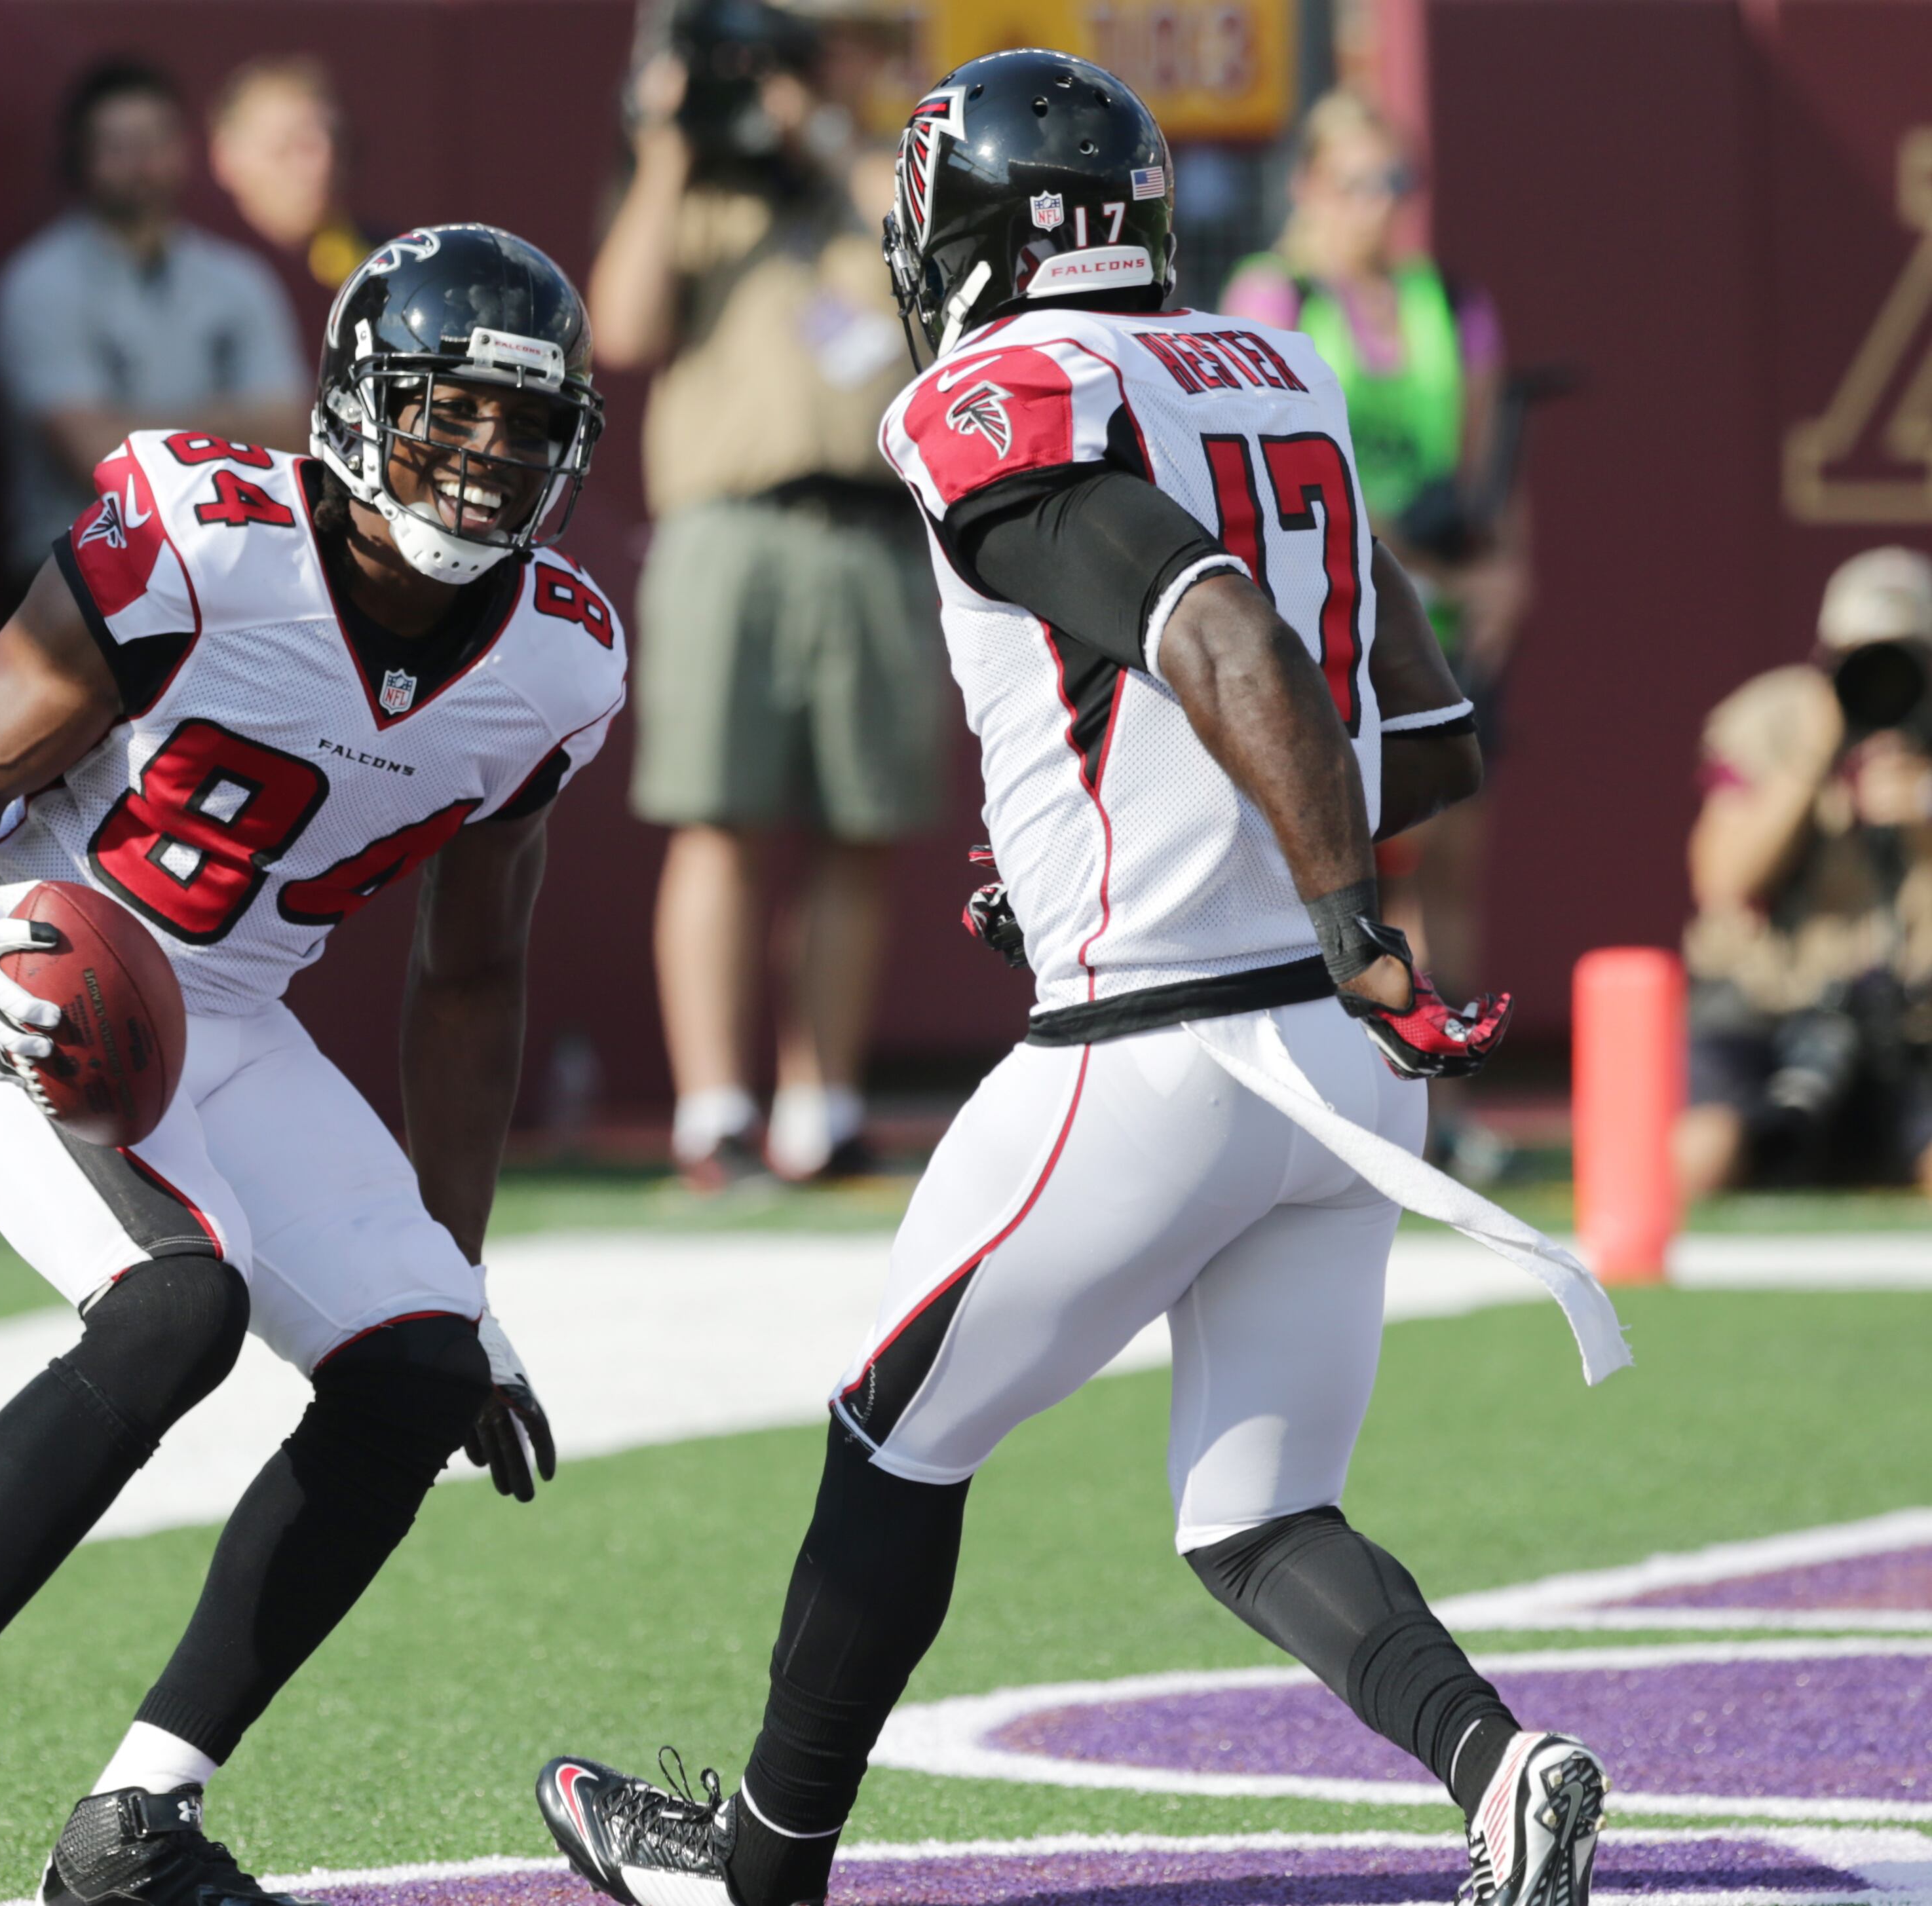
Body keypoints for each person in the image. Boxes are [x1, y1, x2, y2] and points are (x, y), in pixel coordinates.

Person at [534, 54, 1626, 1906]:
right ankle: (1500, 1761)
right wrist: (1228, 878)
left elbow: (1216, 627)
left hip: (1162, 1050)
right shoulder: (1280, 371)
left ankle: (762, 1865)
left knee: (896, 1430)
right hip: (1340, 1072)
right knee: (1259, 1507)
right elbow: (1420, 736)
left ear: (971, 228)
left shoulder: (995, 393)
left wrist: (1331, 904)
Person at [0, 225, 621, 1906]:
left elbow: (471, 973)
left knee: (419, 1370)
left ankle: (136, 1823)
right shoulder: (205, 535)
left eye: (524, 426)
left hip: (233, 1013)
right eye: (450, 411)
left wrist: (456, 1262)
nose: (486, 455)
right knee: (173, 1308)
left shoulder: (559, 657)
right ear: (357, 401)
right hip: (35, 964)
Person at [589, 0, 939, 1187]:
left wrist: (827, 135)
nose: (811, 63)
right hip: (726, 527)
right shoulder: (697, 189)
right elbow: (621, 329)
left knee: (860, 826)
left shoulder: (880, 175)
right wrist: (673, 147)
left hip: (873, 528)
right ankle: (715, 1113)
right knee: (716, 817)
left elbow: (935, 301)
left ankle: (822, 1106)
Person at [1221, 90, 1528, 1178]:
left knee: (1448, 859)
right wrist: (1405, 549)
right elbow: (1258, 468)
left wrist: (1500, 572)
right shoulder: (1275, 295)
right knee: (1336, 862)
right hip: (1322, 626)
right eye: (1357, 183)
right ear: (1307, 187)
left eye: (1396, 184)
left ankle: (1443, 1090)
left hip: (1437, 626)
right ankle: (1344, 1085)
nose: (1381, 208)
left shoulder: (1449, 303)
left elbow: (1494, 468)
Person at [0, 57, 309, 592]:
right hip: (80, 579)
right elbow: (94, 455)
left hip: (230, 570)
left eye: (156, 141)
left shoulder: (240, 279)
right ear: (81, 159)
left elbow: (290, 432)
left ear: (186, 150)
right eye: (119, 146)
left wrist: (134, 428)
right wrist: (236, 428)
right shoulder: (38, 284)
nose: (142, 164)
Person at [1676, 545, 1932, 1197]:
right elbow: (1723, 883)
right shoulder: (1773, 719)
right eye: (1861, 661)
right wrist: (1809, 767)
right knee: (1702, 1157)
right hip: (1769, 1007)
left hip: (1912, 1024)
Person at [208, 58, 378, 296]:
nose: (323, 165)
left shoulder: (384, 269)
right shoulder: (193, 275)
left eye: (335, 144)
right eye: (290, 145)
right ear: (226, 158)